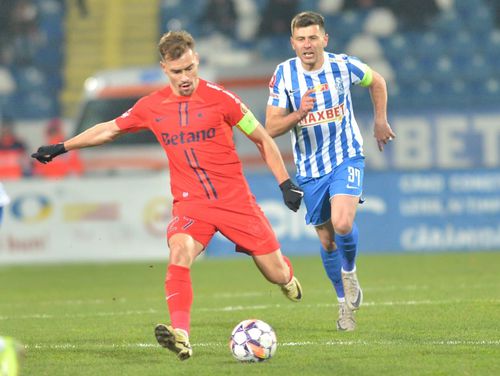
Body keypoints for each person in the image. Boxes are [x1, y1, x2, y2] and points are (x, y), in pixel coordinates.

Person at [31, 30, 304, 361]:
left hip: (235, 201)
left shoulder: (223, 99)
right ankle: (181, 334)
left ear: (197, 60)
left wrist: (284, 182)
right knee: (179, 250)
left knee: (275, 272)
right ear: (164, 68)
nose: (186, 77)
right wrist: (62, 146)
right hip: (192, 204)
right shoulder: (152, 106)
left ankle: (288, 279)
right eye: (178, 71)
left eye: (190, 68)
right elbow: (109, 129)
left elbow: (262, 138)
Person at [265, 11, 395, 331]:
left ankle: (349, 273)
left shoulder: (342, 65)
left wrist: (380, 120)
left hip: (346, 157)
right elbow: (270, 126)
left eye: (313, 38)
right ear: (293, 43)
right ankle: (343, 306)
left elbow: (376, 80)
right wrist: (298, 113)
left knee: (342, 221)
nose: (307, 45)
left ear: (325, 39)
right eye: (301, 39)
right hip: (310, 169)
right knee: (326, 242)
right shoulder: (283, 75)